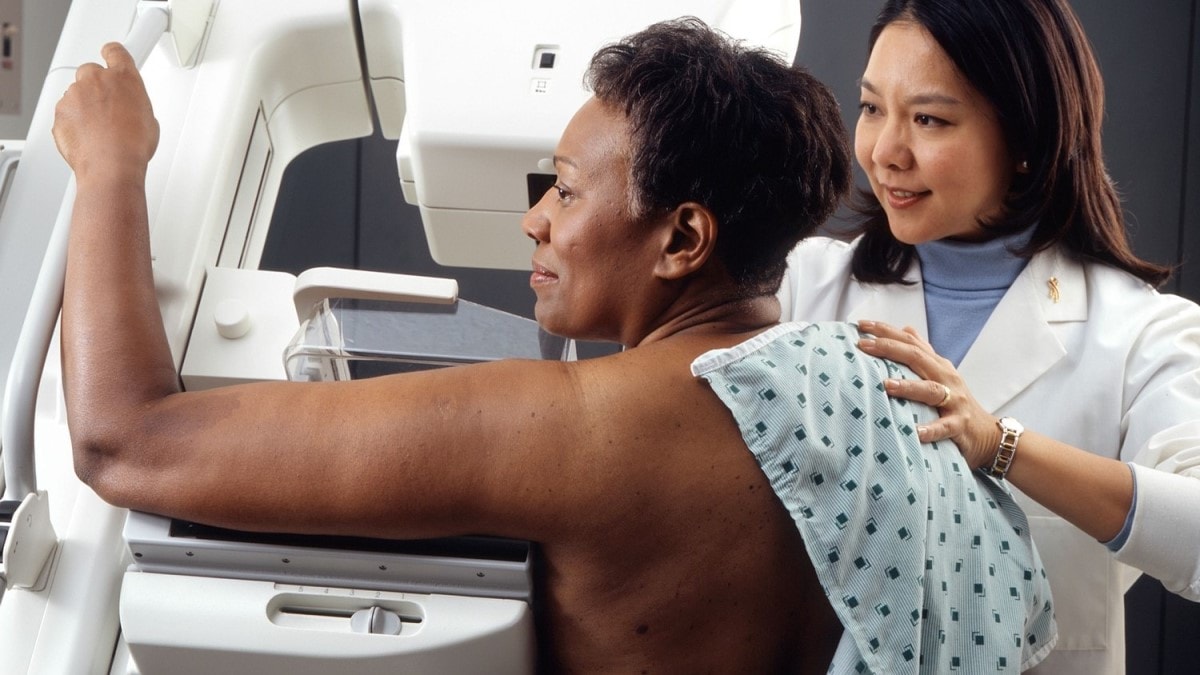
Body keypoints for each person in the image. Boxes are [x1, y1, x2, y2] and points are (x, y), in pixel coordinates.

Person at [54, 18, 1054, 673]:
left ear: (683, 238)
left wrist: (111, 168)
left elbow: (124, 441)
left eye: (567, 190)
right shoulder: (882, 389)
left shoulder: (577, 430)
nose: (536, 222)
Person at [776, 0, 1200, 673]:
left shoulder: (1141, 333)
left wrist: (1001, 444)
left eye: (928, 119)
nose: (885, 151)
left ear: (1027, 140)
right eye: (872, 108)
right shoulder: (801, 286)